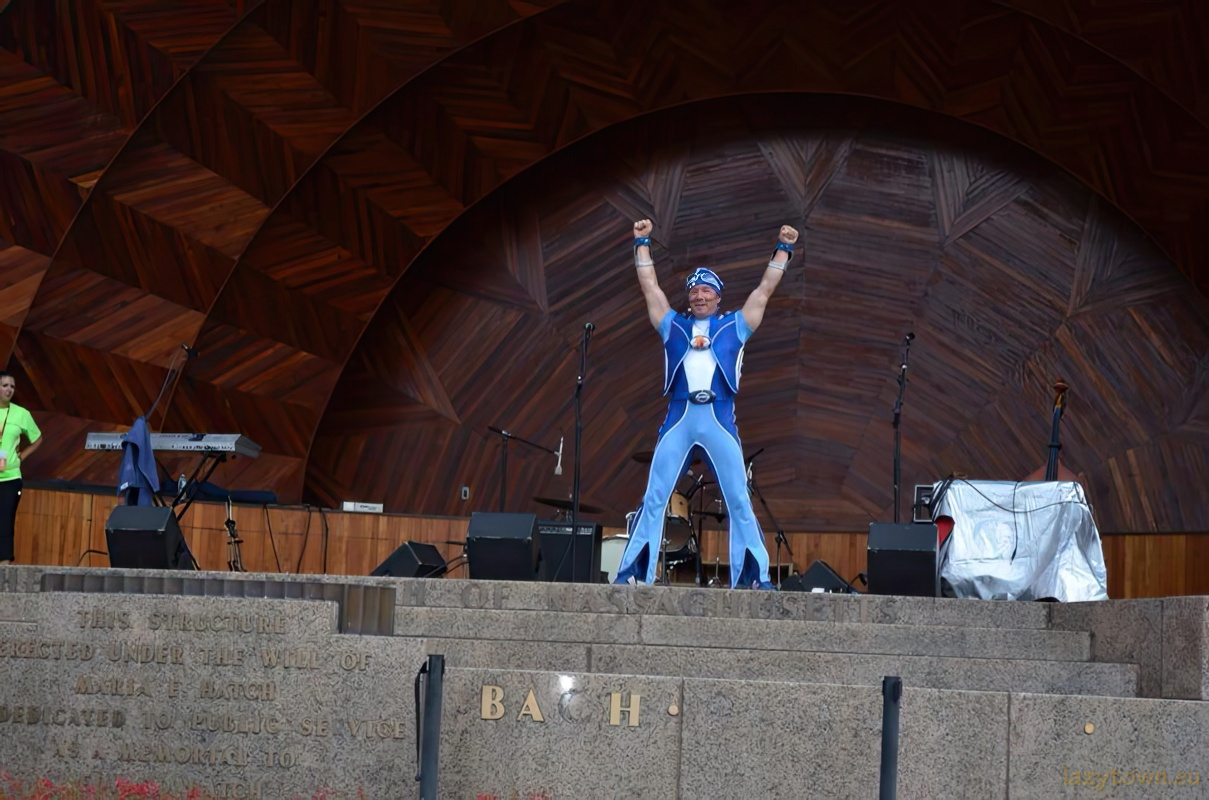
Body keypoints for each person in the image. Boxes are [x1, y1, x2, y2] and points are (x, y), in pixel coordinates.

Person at [614, 219, 798, 589]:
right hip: (680, 416)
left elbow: (764, 290)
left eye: (706, 291)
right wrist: (642, 242)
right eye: (694, 291)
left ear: (718, 297)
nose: (698, 296)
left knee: (738, 499)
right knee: (655, 497)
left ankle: (753, 579)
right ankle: (634, 574)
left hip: (719, 417)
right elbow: (650, 288)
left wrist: (784, 249)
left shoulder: (735, 326)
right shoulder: (673, 327)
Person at [0, 371, 42, 565]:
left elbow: (38, 439)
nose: (9, 389)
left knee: (5, 520)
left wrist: (22, 456)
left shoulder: (21, 414)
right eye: (5, 385)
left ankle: (4, 564)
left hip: (10, 478)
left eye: (12, 386)